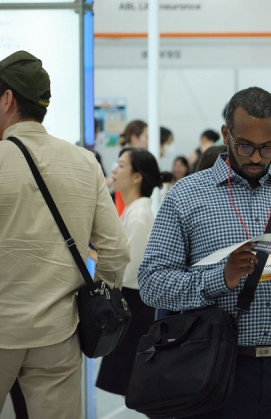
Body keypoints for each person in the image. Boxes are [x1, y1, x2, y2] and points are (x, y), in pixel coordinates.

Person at [138, 86, 271, 419]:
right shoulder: (187, 196)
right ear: (226, 134)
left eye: (268, 147)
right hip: (214, 366)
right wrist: (222, 278)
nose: (257, 157)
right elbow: (152, 284)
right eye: (245, 146)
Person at [0, 51, 130, 418]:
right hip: (59, 333)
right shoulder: (84, 162)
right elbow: (116, 249)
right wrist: (99, 296)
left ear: (7, 99)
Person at [96, 148, 171, 396]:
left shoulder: (139, 215)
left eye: (120, 165)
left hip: (135, 307)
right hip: (131, 304)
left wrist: (90, 251)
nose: (114, 170)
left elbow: (128, 270)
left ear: (137, 176)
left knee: (137, 388)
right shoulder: (133, 210)